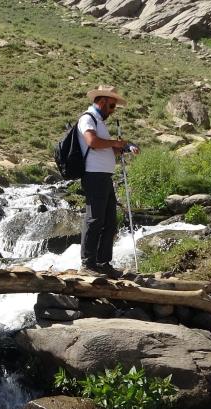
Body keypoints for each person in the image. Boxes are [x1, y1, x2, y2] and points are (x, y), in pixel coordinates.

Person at [77, 85, 139, 276]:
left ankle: (103, 263)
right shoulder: (87, 118)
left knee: (110, 221)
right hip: (93, 174)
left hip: (104, 175)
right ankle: (88, 264)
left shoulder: (99, 121)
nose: (112, 111)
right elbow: (92, 142)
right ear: (102, 101)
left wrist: (122, 147)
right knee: (95, 219)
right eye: (112, 106)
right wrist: (114, 143)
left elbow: (103, 146)